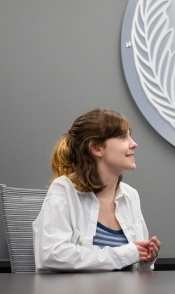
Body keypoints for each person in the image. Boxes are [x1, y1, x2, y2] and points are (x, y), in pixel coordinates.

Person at [33, 108, 161, 271]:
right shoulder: (63, 190)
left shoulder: (130, 196)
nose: (134, 144)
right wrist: (127, 253)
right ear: (97, 148)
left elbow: (135, 263)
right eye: (123, 137)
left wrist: (145, 260)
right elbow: (52, 255)